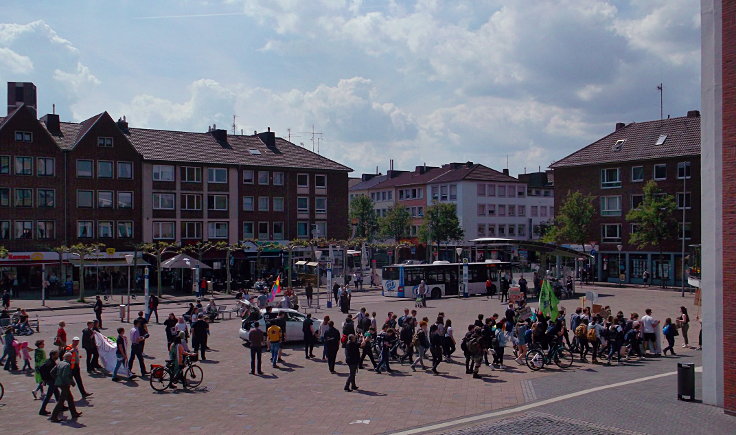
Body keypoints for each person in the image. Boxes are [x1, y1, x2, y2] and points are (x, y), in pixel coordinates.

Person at [50, 352, 82, 422]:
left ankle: (74, 413)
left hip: (59, 383)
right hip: (65, 384)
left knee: (70, 398)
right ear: (68, 358)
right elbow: (65, 376)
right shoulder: (67, 365)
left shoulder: (59, 363)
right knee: (61, 401)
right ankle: (54, 416)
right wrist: (71, 382)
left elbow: (52, 372)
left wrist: (57, 378)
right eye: (71, 358)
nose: (71, 359)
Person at [38, 350, 60, 416]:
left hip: (50, 380)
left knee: (56, 392)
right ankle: (42, 410)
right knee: (48, 395)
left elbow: (41, 368)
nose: (57, 356)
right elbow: (42, 369)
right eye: (56, 355)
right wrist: (45, 379)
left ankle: (61, 406)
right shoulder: (50, 363)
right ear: (52, 355)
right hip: (51, 380)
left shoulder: (49, 361)